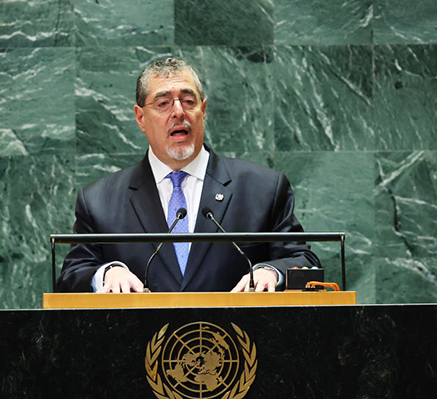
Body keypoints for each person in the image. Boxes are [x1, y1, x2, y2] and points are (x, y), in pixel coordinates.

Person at [57, 58, 320, 293]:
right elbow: (71, 276)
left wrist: (270, 272)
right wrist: (106, 273)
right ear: (140, 118)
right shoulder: (99, 201)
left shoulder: (263, 188)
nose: (179, 112)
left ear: (203, 111)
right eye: (163, 103)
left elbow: (303, 261)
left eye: (188, 101)